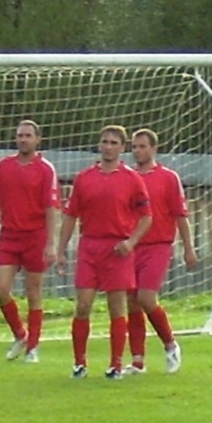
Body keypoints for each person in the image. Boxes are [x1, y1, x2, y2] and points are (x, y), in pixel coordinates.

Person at [56, 125, 152, 379]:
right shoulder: (84, 177)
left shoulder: (132, 179)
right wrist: (61, 250)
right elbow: (70, 216)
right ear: (99, 145)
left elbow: (146, 218)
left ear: (122, 148)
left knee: (117, 307)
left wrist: (131, 242)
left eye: (113, 142)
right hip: (90, 246)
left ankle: (116, 364)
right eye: (104, 142)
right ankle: (79, 363)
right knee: (83, 305)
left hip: (118, 250)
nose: (108, 146)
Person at [0, 120, 60, 363]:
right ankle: (20, 334)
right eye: (19, 135)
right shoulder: (4, 166)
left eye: (28, 135)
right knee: (0, 289)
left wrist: (51, 243)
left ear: (37, 140)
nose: (23, 139)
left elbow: (51, 208)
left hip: (35, 236)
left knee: (34, 292)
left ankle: (33, 347)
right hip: (9, 236)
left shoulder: (45, 169)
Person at [123, 128, 199, 375]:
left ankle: (170, 344)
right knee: (132, 302)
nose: (137, 151)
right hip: (131, 245)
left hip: (158, 245)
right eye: (134, 147)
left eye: (142, 146)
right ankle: (137, 360)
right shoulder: (127, 177)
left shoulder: (168, 178)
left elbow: (180, 215)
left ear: (153, 149)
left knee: (146, 298)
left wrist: (189, 248)